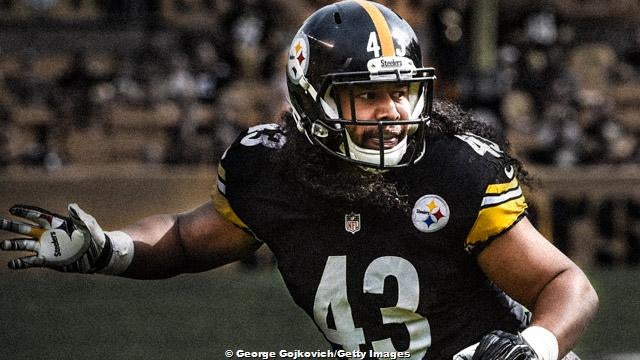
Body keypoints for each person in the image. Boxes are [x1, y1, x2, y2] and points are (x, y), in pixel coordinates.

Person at [0, 1, 597, 359]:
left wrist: (534, 347)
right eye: (367, 96)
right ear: (312, 100)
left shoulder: (453, 167)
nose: (392, 111)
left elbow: (568, 285)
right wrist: (110, 249)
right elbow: (185, 240)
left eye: (401, 91)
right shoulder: (270, 169)